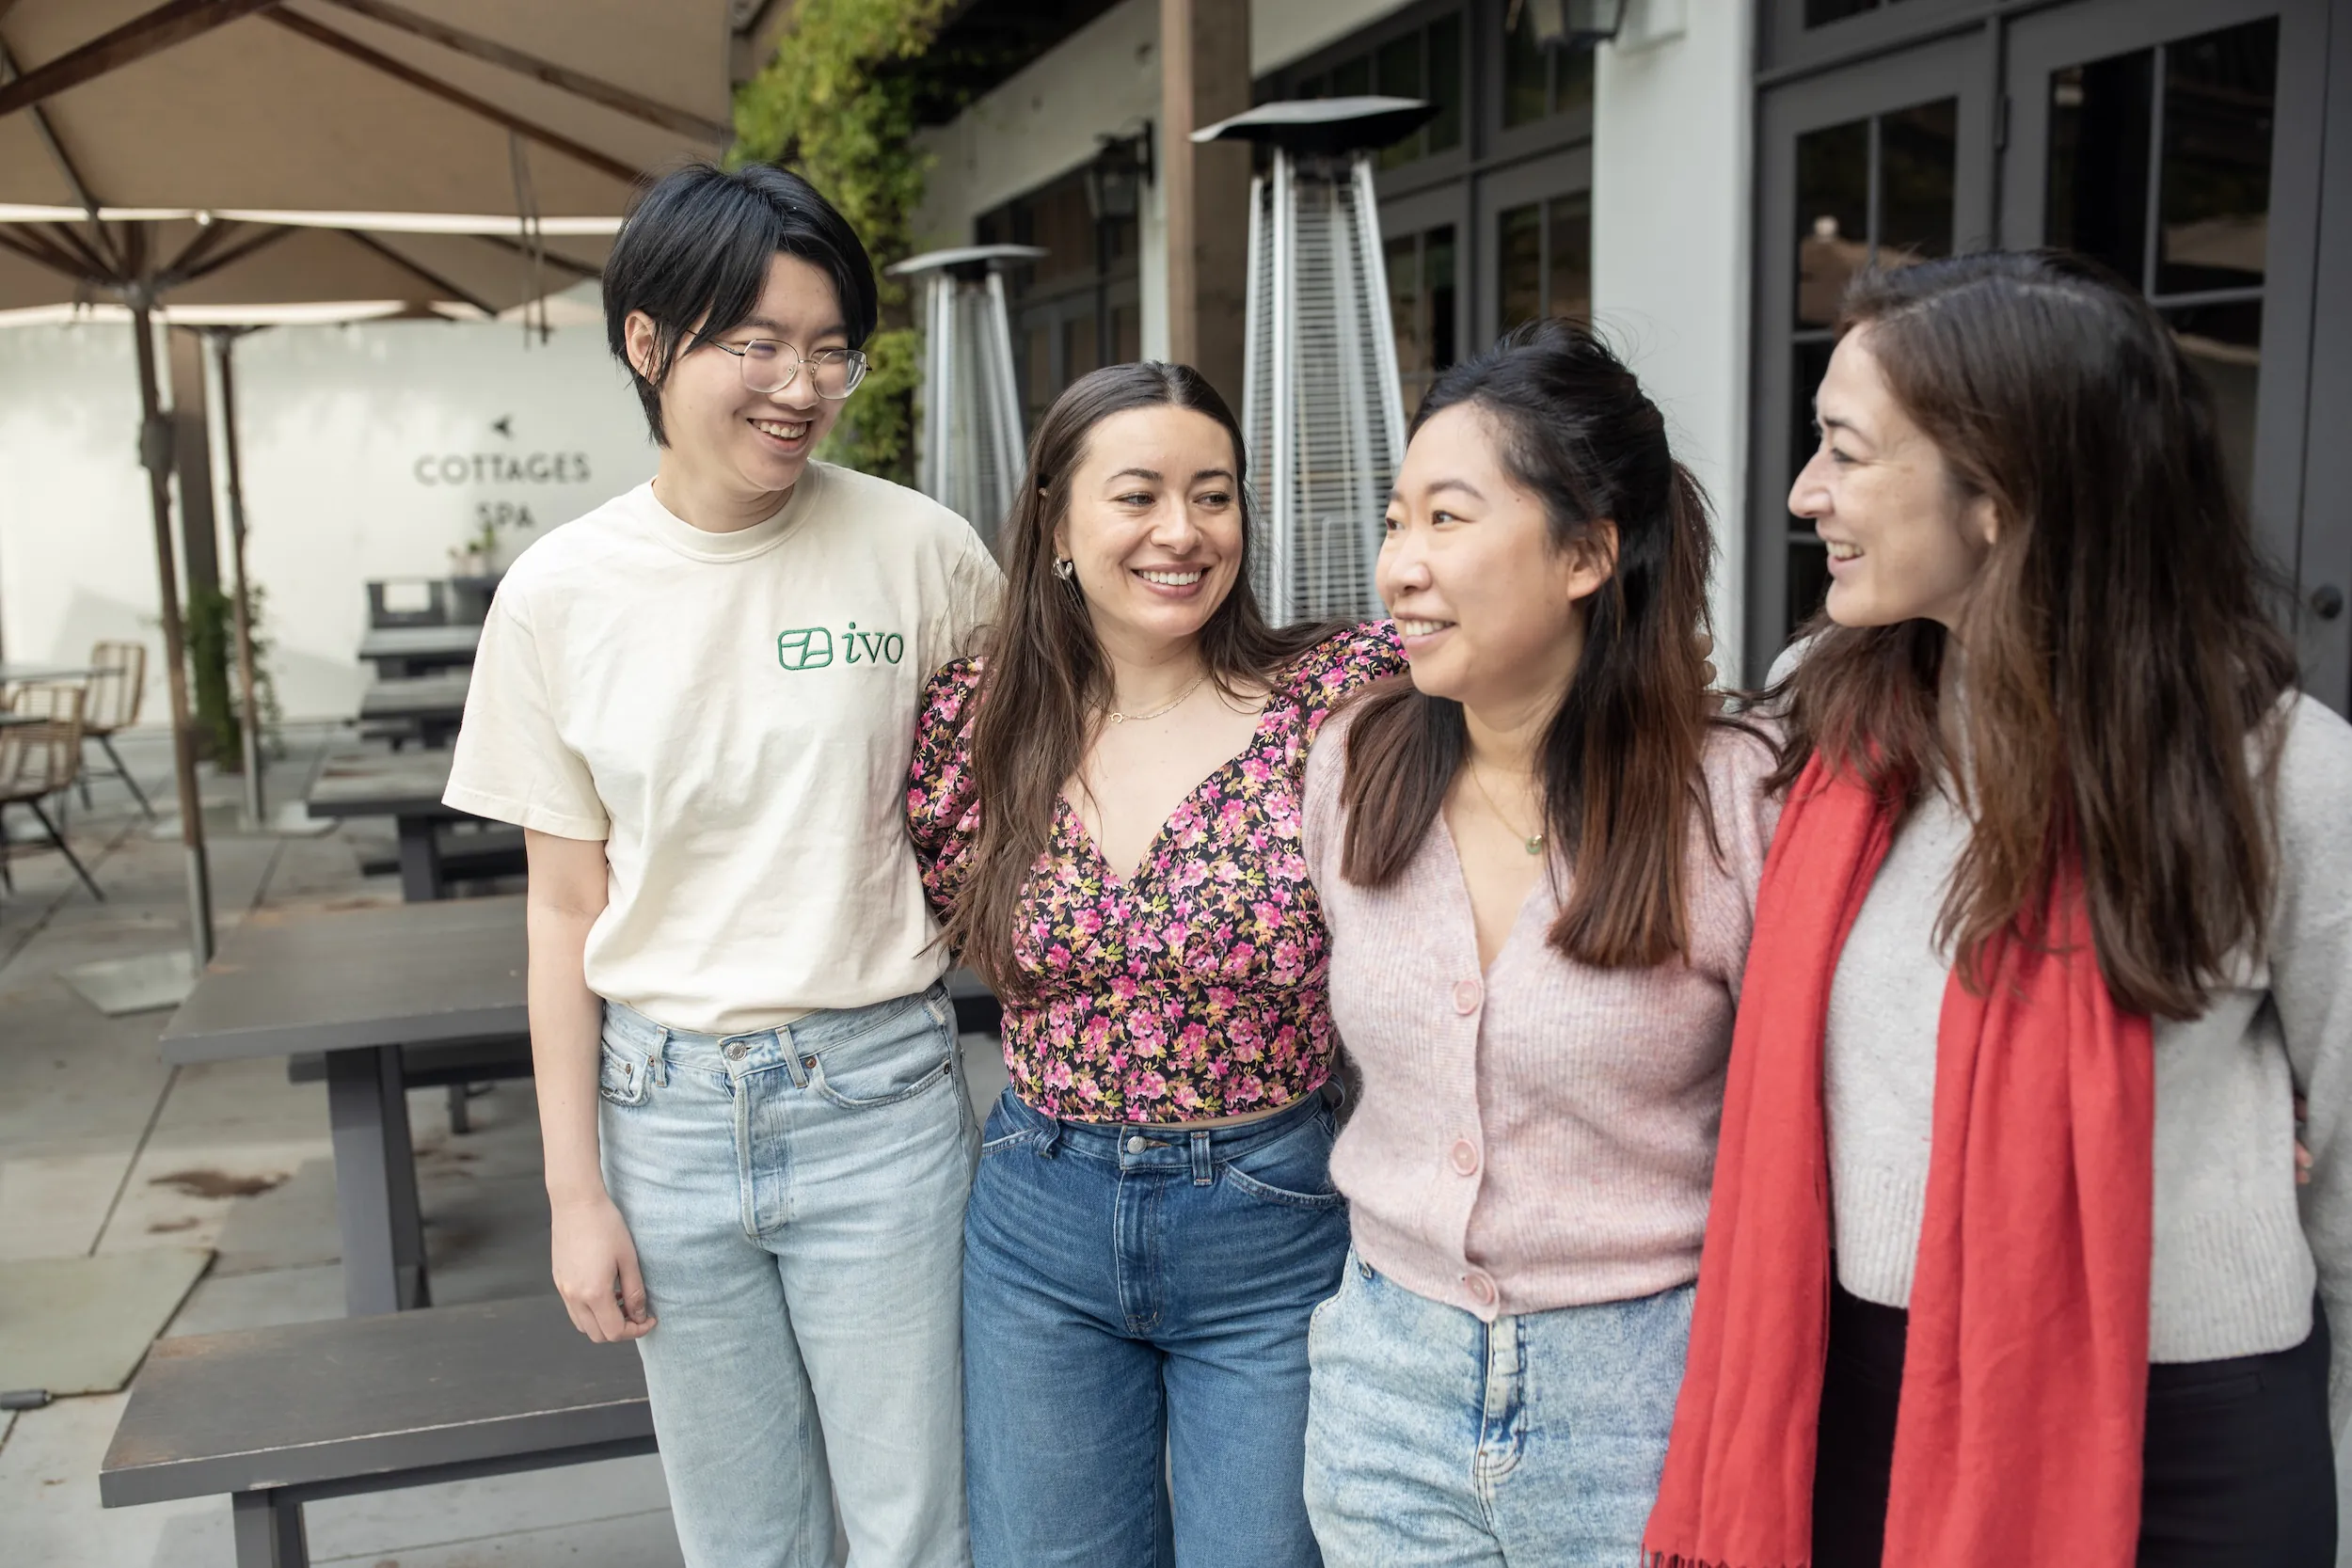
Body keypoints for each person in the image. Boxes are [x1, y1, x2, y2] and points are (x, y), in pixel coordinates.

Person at [1645, 250, 2352, 1568]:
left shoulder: (2284, 773)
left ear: (2000, 491)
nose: (1807, 497)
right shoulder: (1829, 704)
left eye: (1847, 454)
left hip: (2187, 1432)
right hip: (1851, 1390)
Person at [443, 162, 998, 1568]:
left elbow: (1012, 806)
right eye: (752, 342)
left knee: (921, 1523)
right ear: (648, 340)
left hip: (879, 1095)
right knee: (745, 1537)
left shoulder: (923, 554)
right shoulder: (559, 596)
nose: (798, 385)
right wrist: (577, 1196)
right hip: (665, 1112)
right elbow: (564, 906)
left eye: (829, 349)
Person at [1297, 318, 1779, 1566]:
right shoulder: (1353, 765)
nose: (1402, 563)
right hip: (1385, 1387)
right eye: (1398, 520)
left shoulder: (1731, 801)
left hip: (1642, 1396)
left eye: (1448, 520)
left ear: (1586, 552)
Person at [904, 360, 1402, 1568]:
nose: (1182, 531)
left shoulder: (1338, 695)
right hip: (1040, 1209)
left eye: (1214, 494)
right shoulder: (977, 719)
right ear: (1057, 525)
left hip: (1274, 1210)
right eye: (1138, 496)